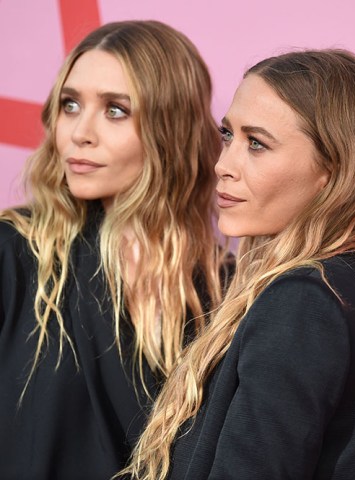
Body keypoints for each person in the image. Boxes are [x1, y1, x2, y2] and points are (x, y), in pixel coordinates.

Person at [125, 49, 355, 480]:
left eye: (257, 144)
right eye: (228, 136)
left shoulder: (304, 301)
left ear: (333, 170)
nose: (223, 166)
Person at [0, 20, 233, 479]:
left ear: (171, 127)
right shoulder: (15, 255)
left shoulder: (221, 288)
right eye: (70, 105)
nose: (80, 133)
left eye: (115, 110)